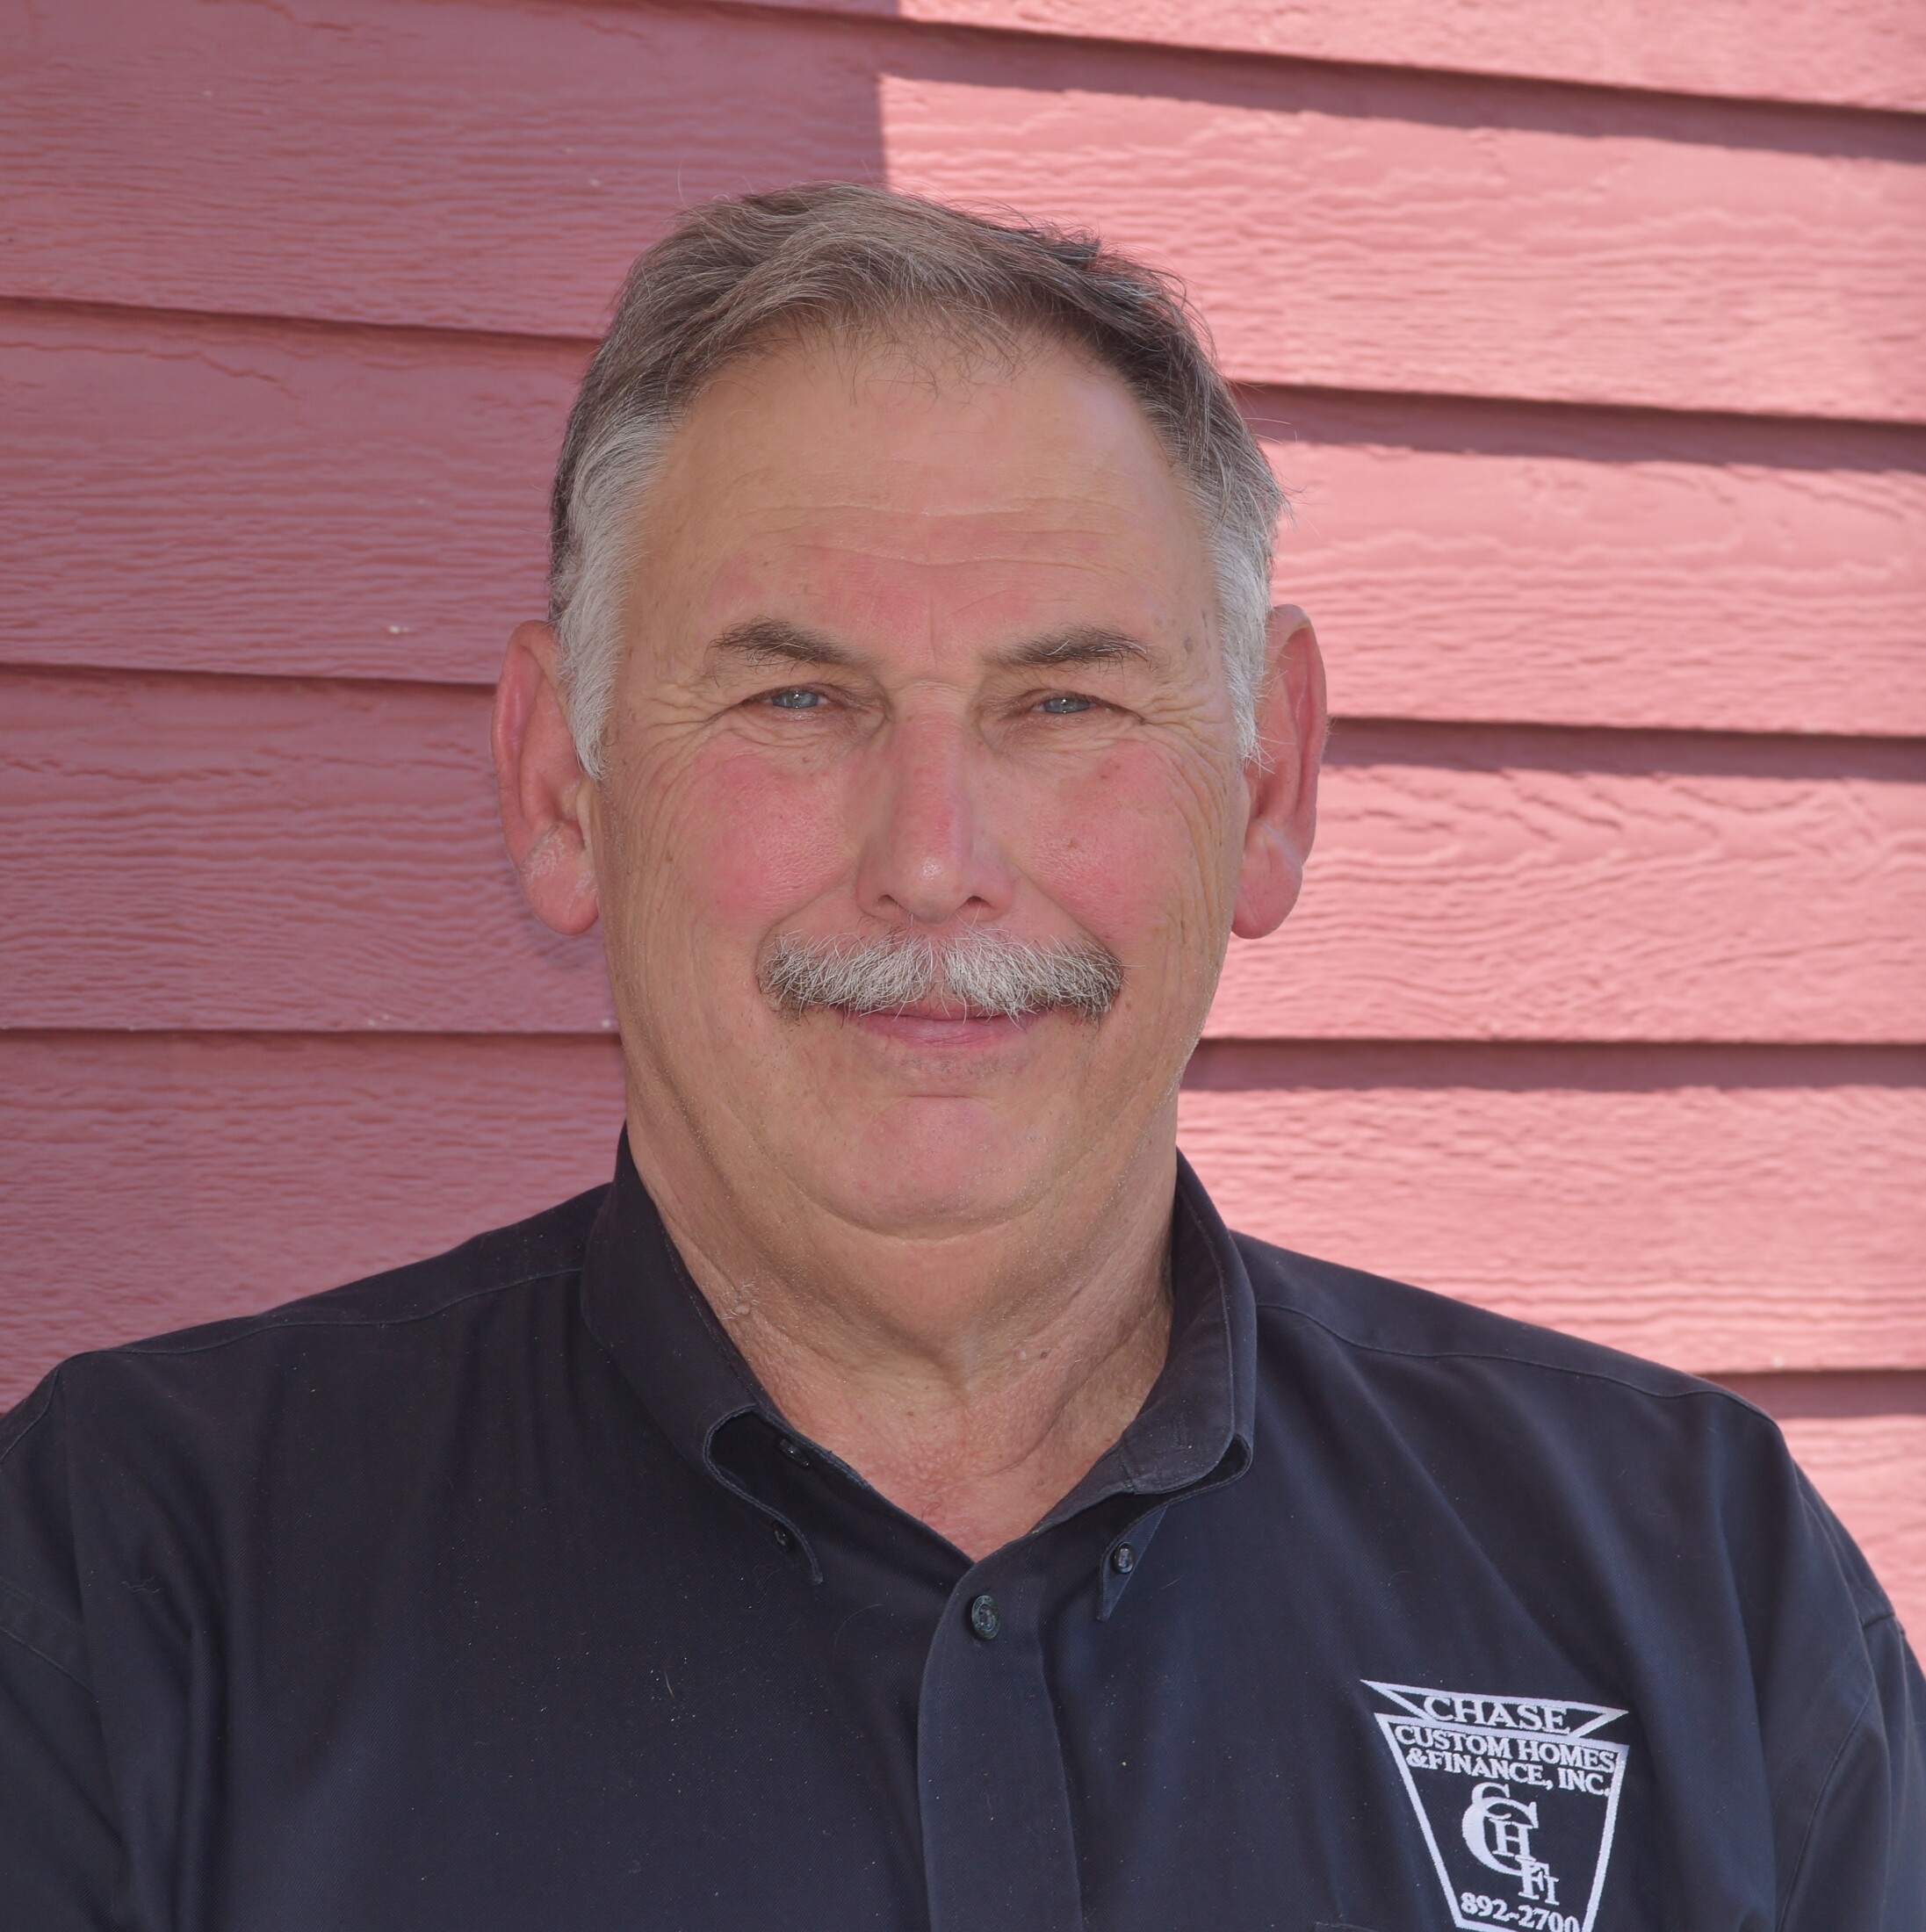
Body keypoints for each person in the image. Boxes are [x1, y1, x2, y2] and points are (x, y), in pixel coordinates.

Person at [1, 184, 1918, 1932]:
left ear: (1265, 782)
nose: (932, 856)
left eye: (1063, 701)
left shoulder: (1701, 1596)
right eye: (796, 695)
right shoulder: (131, 1597)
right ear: (559, 786)